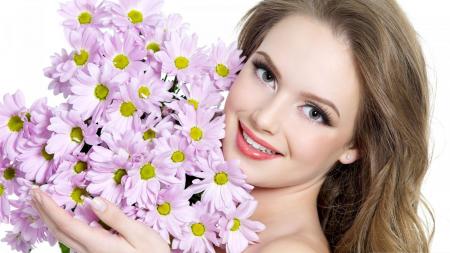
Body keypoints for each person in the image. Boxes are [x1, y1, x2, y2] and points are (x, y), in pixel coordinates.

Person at [30, 0, 435, 252]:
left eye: (314, 112)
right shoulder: (184, 199)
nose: (264, 118)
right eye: (266, 74)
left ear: (356, 145)